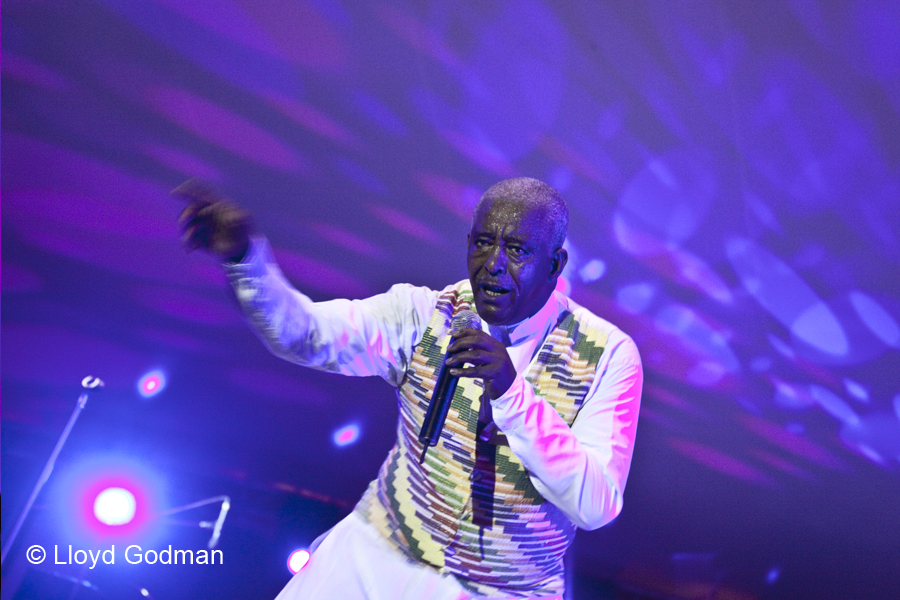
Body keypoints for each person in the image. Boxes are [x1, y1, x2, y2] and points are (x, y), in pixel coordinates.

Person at [176, 177, 642, 600]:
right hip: (377, 555)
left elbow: (596, 504)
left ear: (555, 264)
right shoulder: (425, 314)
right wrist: (245, 260)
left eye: (517, 250)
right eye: (483, 243)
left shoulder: (607, 355)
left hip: (501, 591)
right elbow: (306, 334)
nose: (493, 265)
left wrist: (511, 394)